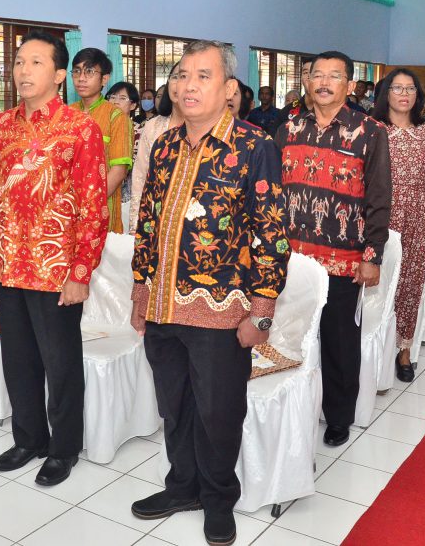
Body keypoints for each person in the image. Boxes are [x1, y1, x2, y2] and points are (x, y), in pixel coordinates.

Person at [129, 40, 290, 546]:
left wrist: (261, 311)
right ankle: (182, 486)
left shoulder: (254, 146)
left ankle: (219, 498)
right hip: (162, 305)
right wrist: (140, 290)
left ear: (228, 88)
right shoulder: (164, 144)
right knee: (174, 406)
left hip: (222, 310)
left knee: (218, 412)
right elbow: (147, 221)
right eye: (182, 75)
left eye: (203, 76)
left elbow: (271, 232)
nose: (189, 85)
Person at [0, 31, 107, 487]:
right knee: (18, 360)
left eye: (35, 62)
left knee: (61, 365)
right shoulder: (0, 126)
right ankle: (28, 439)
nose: (23, 71)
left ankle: (63, 448)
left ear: (59, 74)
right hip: (9, 264)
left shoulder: (80, 128)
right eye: (18, 62)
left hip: (57, 271)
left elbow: (94, 205)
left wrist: (81, 271)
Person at [276, 50, 391, 447]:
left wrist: (372, 256)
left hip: (343, 259)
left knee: (340, 341)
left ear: (350, 84)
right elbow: (272, 189)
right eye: (317, 75)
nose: (323, 83)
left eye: (334, 76)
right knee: (290, 335)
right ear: (307, 82)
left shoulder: (369, 132)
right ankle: (294, 407)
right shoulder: (288, 128)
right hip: (293, 258)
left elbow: (379, 197)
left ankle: (339, 416)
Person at [371, 70, 425, 382]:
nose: (404, 94)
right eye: (397, 88)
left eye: (410, 89)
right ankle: (373, 350)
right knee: (377, 283)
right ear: (386, 93)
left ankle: (403, 350)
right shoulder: (373, 130)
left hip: (416, 216)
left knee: (410, 284)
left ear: (418, 95)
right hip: (379, 215)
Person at [70, 48, 133, 234]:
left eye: (89, 71)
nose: (81, 78)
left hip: (101, 211)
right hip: (67, 212)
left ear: (104, 79)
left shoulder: (116, 117)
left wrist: (89, 206)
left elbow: (119, 171)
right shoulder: (66, 114)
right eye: (77, 71)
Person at [131, 61, 183, 233]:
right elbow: (140, 176)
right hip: (154, 219)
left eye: (186, 77)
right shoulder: (153, 126)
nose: (180, 83)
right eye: (176, 77)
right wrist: (135, 224)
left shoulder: (207, 127)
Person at [107, 81, 146, 233]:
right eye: (112, 97)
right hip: (105, 192)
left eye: (122, 98)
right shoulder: (99, 128)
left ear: (133, 105)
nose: (115, 101)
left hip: (130, 197)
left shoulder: (142, 131)